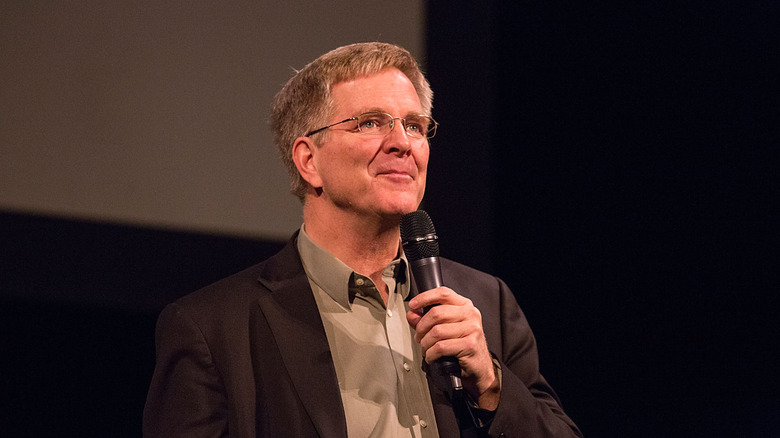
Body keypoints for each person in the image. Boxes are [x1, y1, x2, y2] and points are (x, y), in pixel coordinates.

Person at [143, 42, 582, 438]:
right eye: (371, 123)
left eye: (414, 125)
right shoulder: (213, 328)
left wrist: (489, 383)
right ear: (308, 160)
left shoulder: (488, 303)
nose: (402, 143)